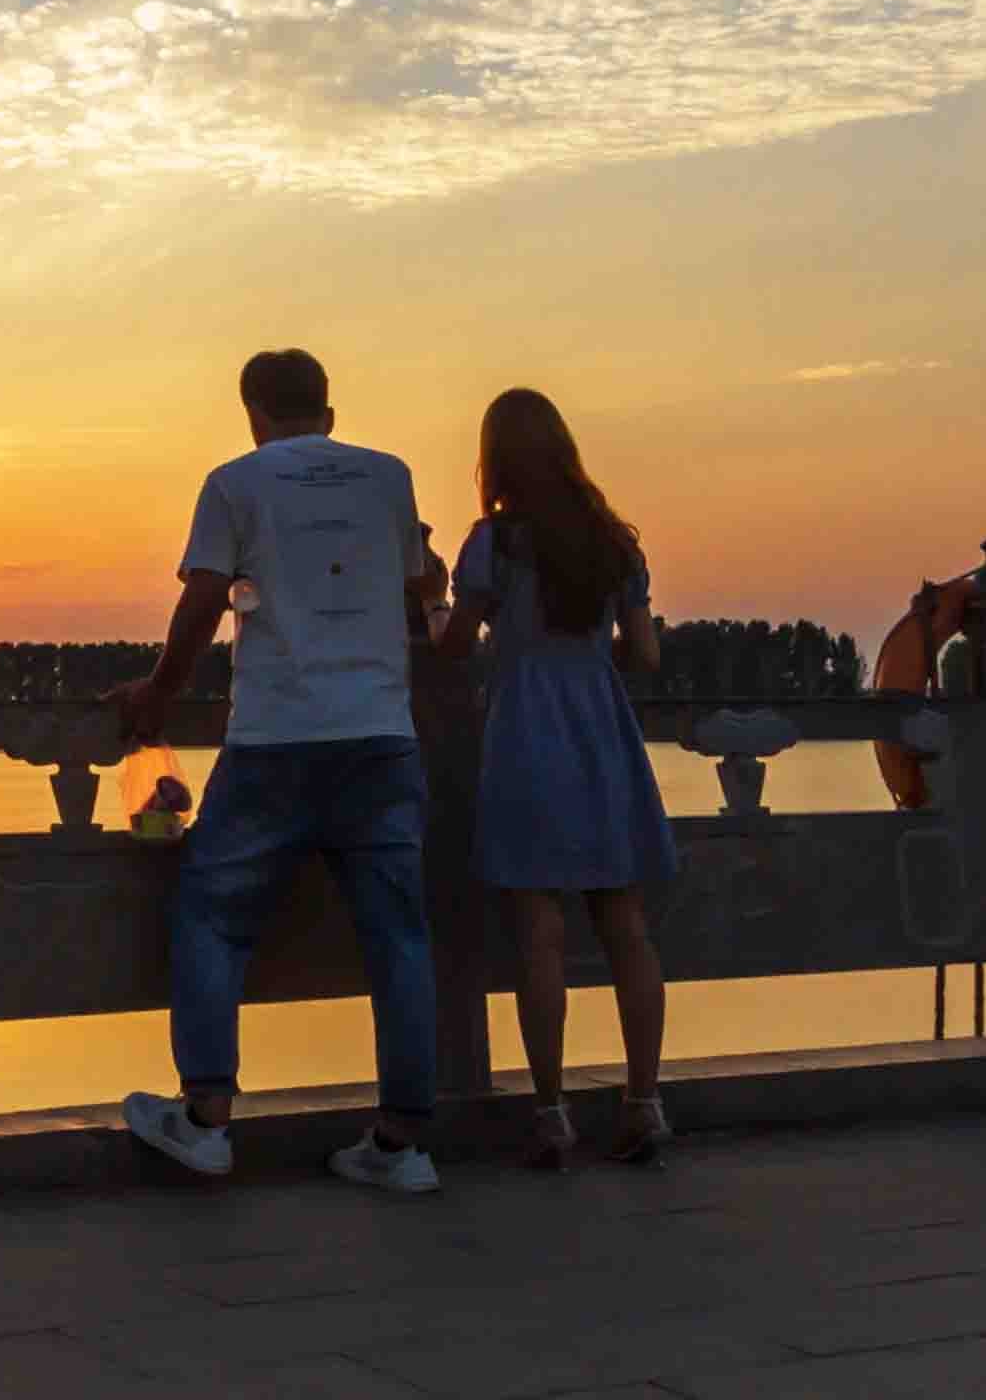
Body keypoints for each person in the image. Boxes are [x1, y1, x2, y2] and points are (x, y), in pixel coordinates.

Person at [112, 348, 451, 1195]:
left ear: (253, 413)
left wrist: (158, 692)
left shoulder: (237, 482)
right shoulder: (389, 477)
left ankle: (206, 1121)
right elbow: (419, 587)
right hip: (380, 737)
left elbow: (202, 600)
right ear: (329, 413)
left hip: (275, 740)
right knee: (399, 939)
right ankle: (403, 1141)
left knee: (211, 917)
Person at [432, 389, 676, 1168]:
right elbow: (645, 658)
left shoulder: (495, 543)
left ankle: (552, 1113)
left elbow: (457, 644)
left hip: (524, 732)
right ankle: (644, 1102)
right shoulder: (614, 543)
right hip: (600, 729)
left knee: (538, 933)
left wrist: (433, 618)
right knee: (624, 927)